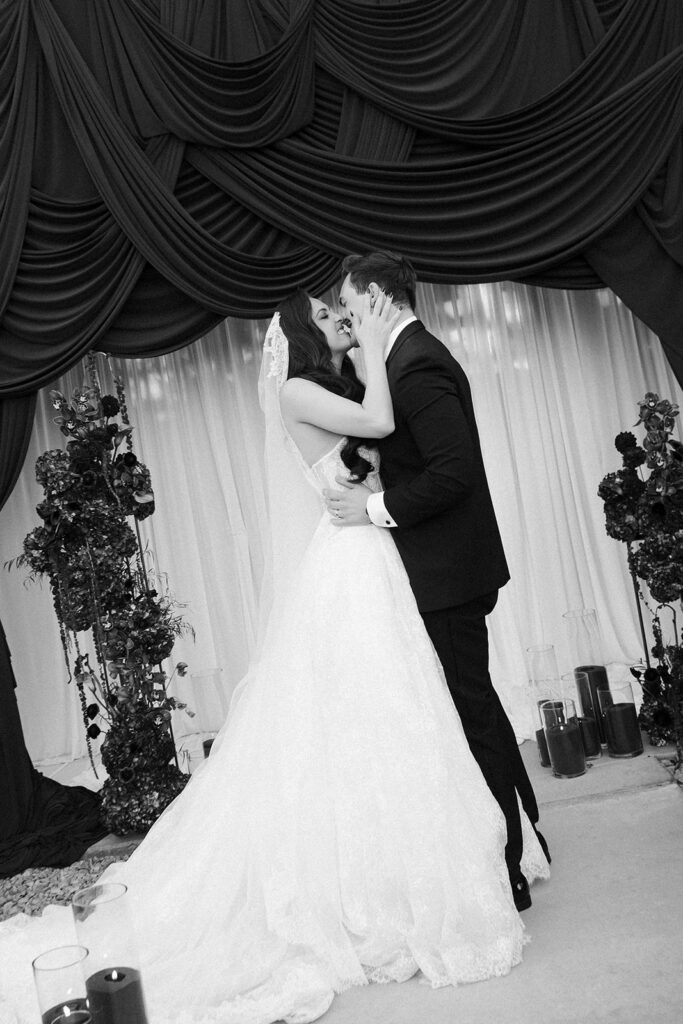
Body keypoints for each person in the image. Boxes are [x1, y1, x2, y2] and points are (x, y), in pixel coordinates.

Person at [0, 290, 548, 1024]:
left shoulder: (325, 388)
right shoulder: (298, 389)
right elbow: (381, 423)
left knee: (403, 710)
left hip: (368, 551)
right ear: (298, 331)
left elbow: (375, 446)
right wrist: (373, 345)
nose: (338, 323)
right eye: (326, 318)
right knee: (374, 707)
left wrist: (362, 362)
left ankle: (463, 849)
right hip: (349, 560)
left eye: (340, 315)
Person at [325, 251, 550, 912]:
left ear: (377, 300)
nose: (343, 316)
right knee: (474, 704)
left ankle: (508, 865)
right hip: (450, 566)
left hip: (448, 572)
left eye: (349, 303)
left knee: (470, 713)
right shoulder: (401, 359)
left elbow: (451, 474)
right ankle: (526, 835)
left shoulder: (415, 363)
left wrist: (370, 509)